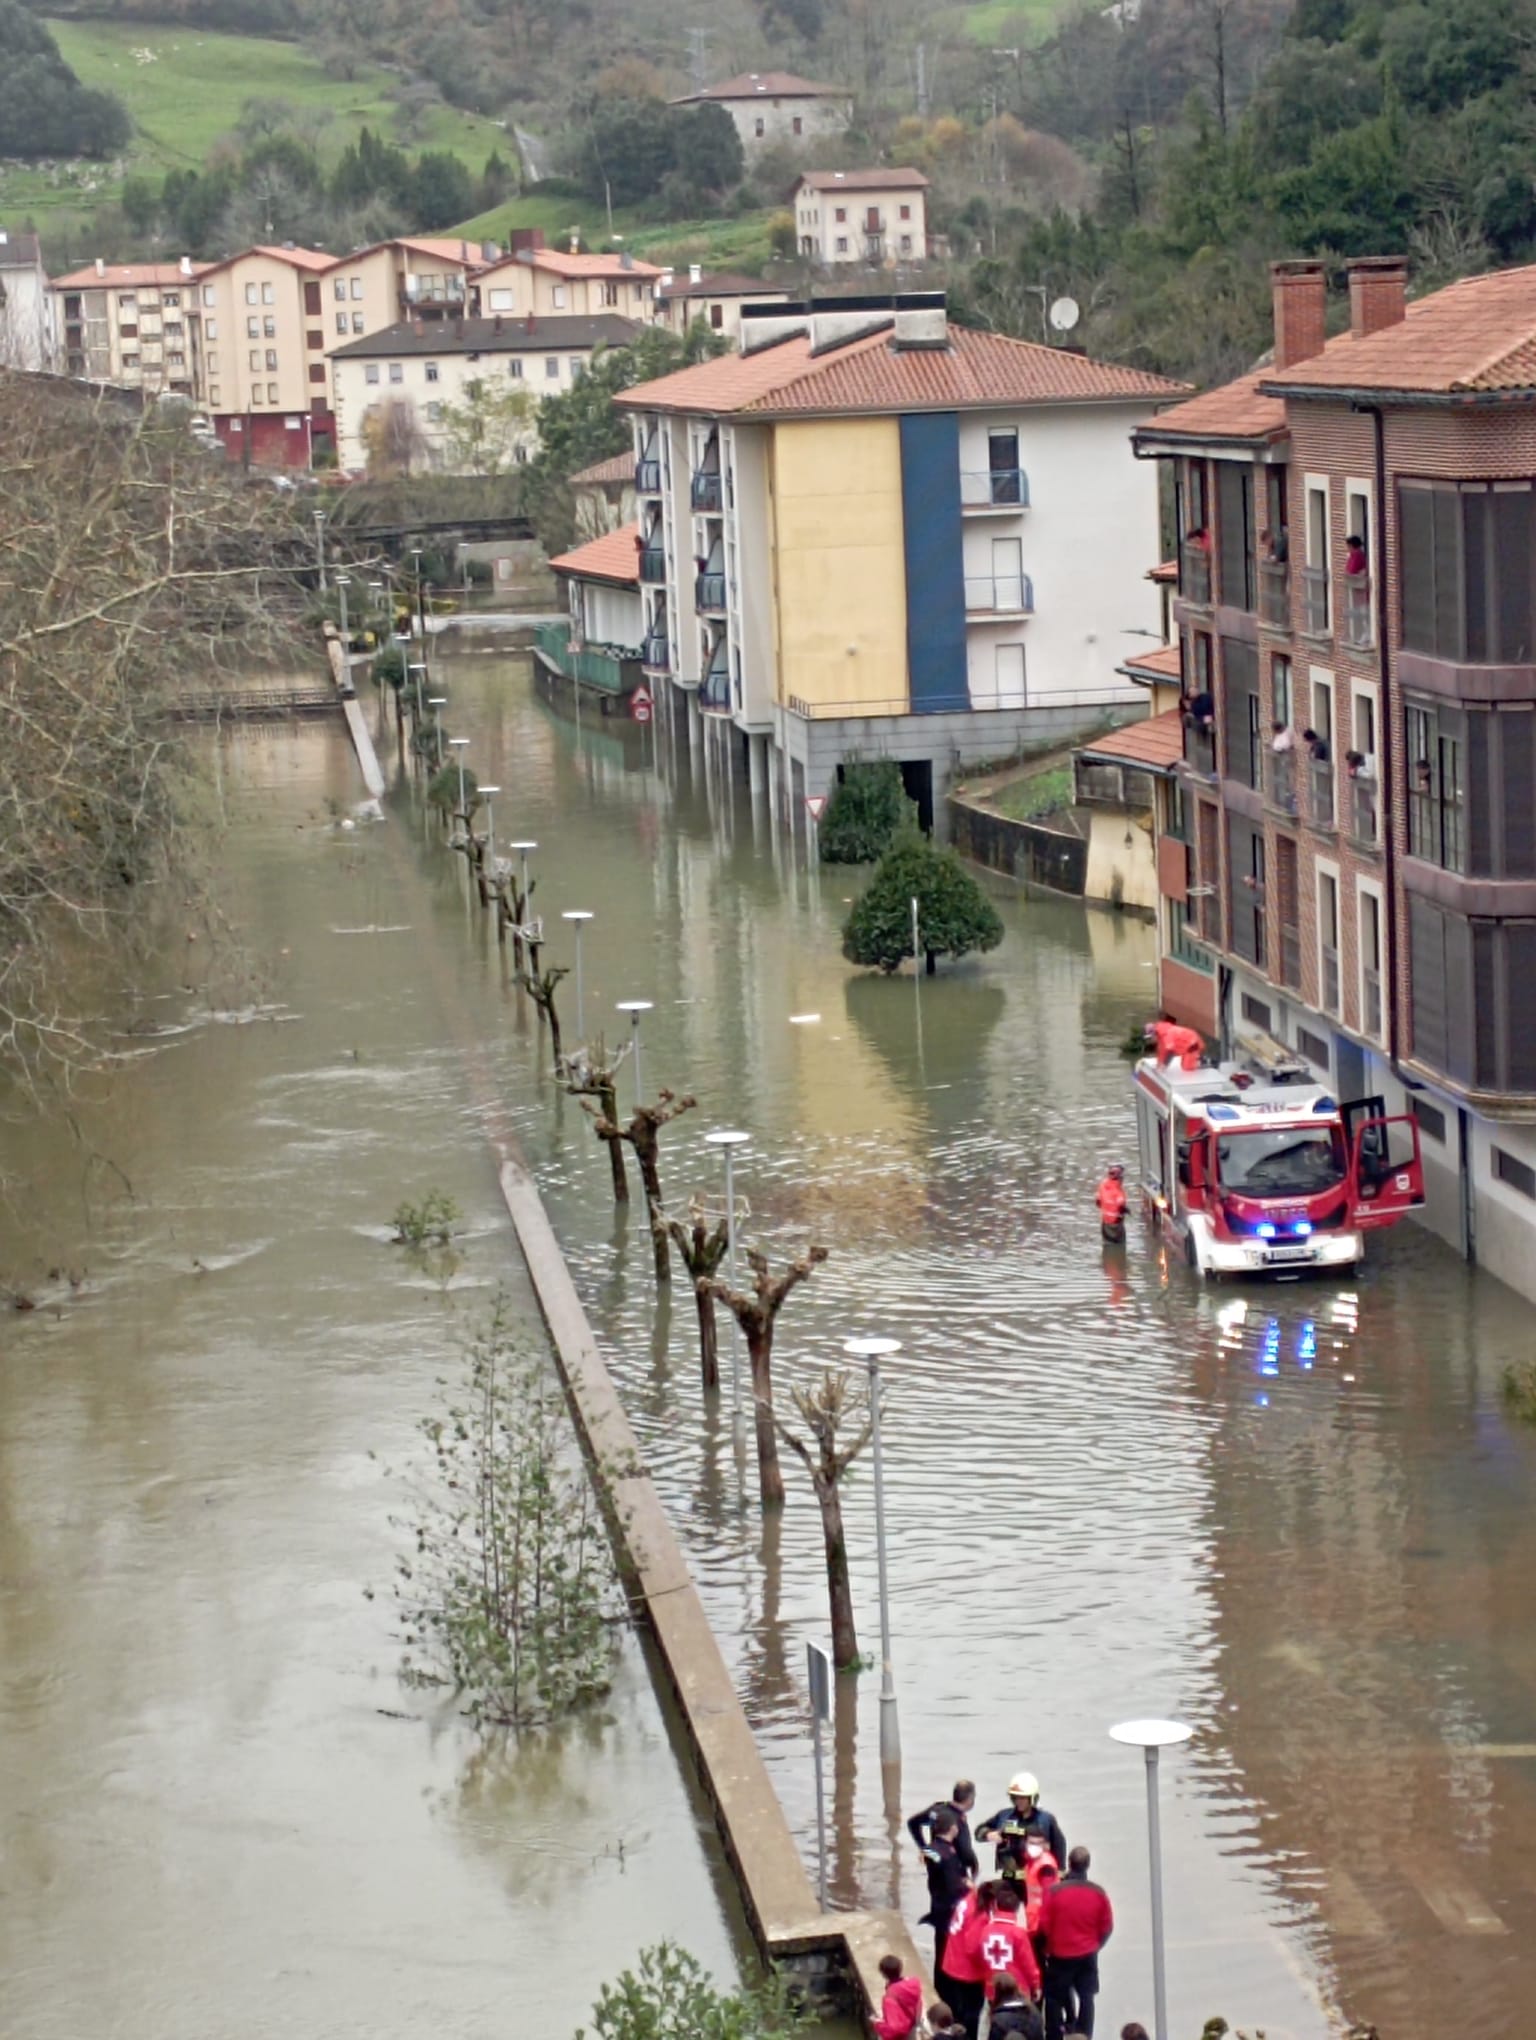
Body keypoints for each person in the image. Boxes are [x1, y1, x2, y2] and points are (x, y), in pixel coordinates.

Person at [1039, 1847, 1114, 2040]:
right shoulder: (1098, 1892)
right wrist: (1095, 1946)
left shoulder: (1055, 1892)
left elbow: (1044, 1925)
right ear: (1087, 1865)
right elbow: (1106, 1926)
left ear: (1069, 1864)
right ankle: (1084, 2034)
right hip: (1087, 1954)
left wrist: (1048, 1948)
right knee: (1086, 1996)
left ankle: (1054, 2034)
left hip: (1060, 1954)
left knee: (1054, 1997)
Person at [977, 1774, 1067, 1882]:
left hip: (1038, 1879)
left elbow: (1059, 1845)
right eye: (1015, 1797)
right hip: (1010, 1879)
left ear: (1032, 1798)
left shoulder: (1046, 1820)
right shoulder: (1004, 1816)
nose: (1018, 1801)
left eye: (1022, 1798)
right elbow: (979, 1831)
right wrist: (988, 1834)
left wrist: (1060, 1872)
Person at [974, 1882, 1042, 2022]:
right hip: (1017, 1989)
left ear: (996, 1905)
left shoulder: (986, 1930)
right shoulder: (1018, 1933)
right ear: (1016, 1909)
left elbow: (980, 1958)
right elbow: (1028, 1964)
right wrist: (1036, 1985)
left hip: (993, 1988)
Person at [920, 1808, 974, 1978]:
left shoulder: (932, 1849)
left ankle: (939, 1982)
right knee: (947, 1950)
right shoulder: (948, 1854)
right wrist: (967, 1885)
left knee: (940, 1948)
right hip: (949, 1908)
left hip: (936, 1902)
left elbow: (930, 1858)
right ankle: (946, 1984)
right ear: (953, 1828)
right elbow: (953, 1884)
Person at [940, 1882, 990, 2040]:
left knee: (957, 2009)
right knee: (972, 2013)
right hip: (969, 1972)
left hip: (953, 1963)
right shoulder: (980, 1915)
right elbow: (973, 1948)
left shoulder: (968, 1900)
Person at [910, 1781, 981, 1878]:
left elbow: (913, 1823)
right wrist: (975, 1867)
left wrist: (925, 1849)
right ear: (969, 1799)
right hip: (954, 1872)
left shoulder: (936, 1809)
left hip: (935, 1866)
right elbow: (965, 1851)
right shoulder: (958, 1820)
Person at [872, 1952, 925, 2039]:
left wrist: (878, 2024)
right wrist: (917, 2023)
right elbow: (919, 2003)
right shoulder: (914, 1983)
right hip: (912, 2026)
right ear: (900, 1969)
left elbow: (894, 2029)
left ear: (883, 1974)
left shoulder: (889, 1997)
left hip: (902, 2034)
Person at [1095, 1164, 1128, 1243]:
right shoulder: (1118, 1192)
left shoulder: (1102, 1185)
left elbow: (1098, 1202)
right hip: (1116, 1225)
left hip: (1105, 1223)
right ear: (1120, 1177)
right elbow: (1121, 1206)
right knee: (1119, 1245)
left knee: (1107, 1243)